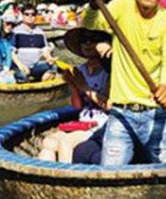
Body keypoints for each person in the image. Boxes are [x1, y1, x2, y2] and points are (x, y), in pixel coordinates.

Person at [82, 0, 166, 166]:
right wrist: (93, 4)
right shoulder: (120, 7)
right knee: (109, 175)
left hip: (155, 112)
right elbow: (92, 23)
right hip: (121, 113)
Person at [39, 28, 112, 164]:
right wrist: (73, 85)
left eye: (93, 40)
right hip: (81, 123)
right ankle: (48, 182)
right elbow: (78, 106)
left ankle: (67, 180)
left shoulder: (109, 72)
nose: (88, 44)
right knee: (48, 143)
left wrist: (83, 86)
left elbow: (108, 106)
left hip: (100, 126)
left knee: (65, 143)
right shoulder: (80, 70)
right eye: (84, 41)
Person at [11, 4, 58, 82]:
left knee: (53, 67)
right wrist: (20, 65)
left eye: (33, 14)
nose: (30, 16)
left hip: (36, 66)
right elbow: (11, 52)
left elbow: (45, 50)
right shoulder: (15, 32)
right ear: (22, 15)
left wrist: (49, 58)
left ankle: (43, 85)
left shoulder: (40, 33)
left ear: (36, 16)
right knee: (22, 76)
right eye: (27, 14)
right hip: (21, 66)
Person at [0, 12, 28, 84]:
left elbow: (10, 52)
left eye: (12, 25)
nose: (10, 27)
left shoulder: (12, 36)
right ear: (2, 23)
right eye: (7, 23)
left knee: (23, 76)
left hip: (8, 66)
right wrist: (2, 70)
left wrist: (20, 66)